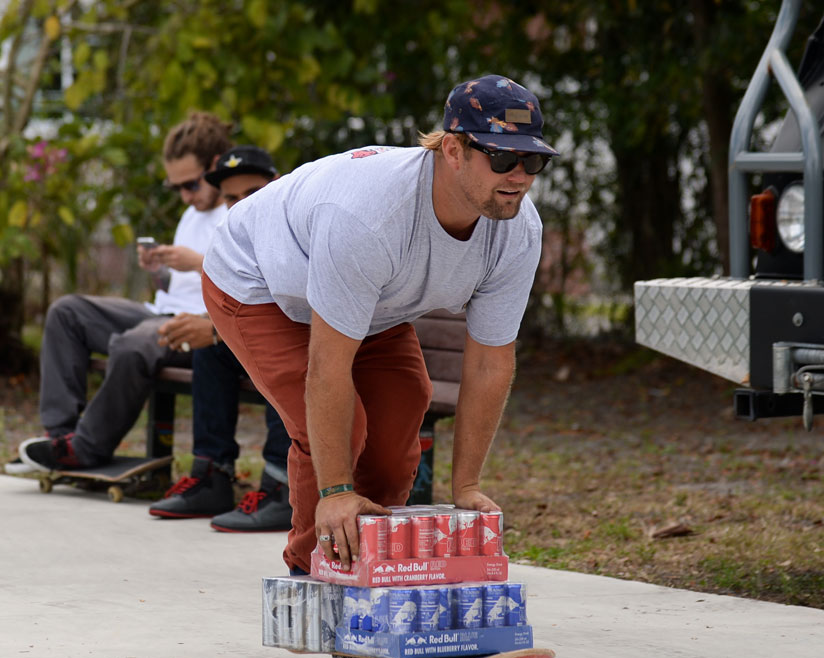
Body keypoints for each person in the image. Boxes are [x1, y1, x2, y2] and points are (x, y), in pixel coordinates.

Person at [202, 74, 558, 574]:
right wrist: (335, 492)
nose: (519, 176)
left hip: (365, 301)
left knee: (399, 416)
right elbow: (327, 367)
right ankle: (313, 579)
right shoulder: (371, 215)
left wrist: (466, 488)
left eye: (534, 161)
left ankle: (372, 566)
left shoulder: (516, 231)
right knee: (341, 432)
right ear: (453, 150)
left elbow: (490, 362)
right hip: (257, 283)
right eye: (502, 158)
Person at [12, 112, 231, 474]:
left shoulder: (239, 207)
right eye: (175, 187)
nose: (184, 196)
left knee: (134, 344)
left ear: (214, 165)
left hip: (201, 327)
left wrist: (196, 262)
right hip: (162, 313)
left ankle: (86, 447)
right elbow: (177, 290)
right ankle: (59, 438)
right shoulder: (193, 212)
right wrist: (160, 271)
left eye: (190, 185)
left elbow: (252, 281)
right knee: (67, 312)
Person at [147, 145, 293, 533]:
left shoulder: (295, 226)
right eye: (231, 198)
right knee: (210, 352)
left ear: (276, 184)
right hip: (278, 339)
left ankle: (283, 486)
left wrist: (213, 329)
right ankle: (212, 474)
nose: (241, 204)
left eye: (252, 192)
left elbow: (297, 314)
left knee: (283, 359)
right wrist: (210, 330)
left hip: (322, 344)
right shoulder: (236, 236)